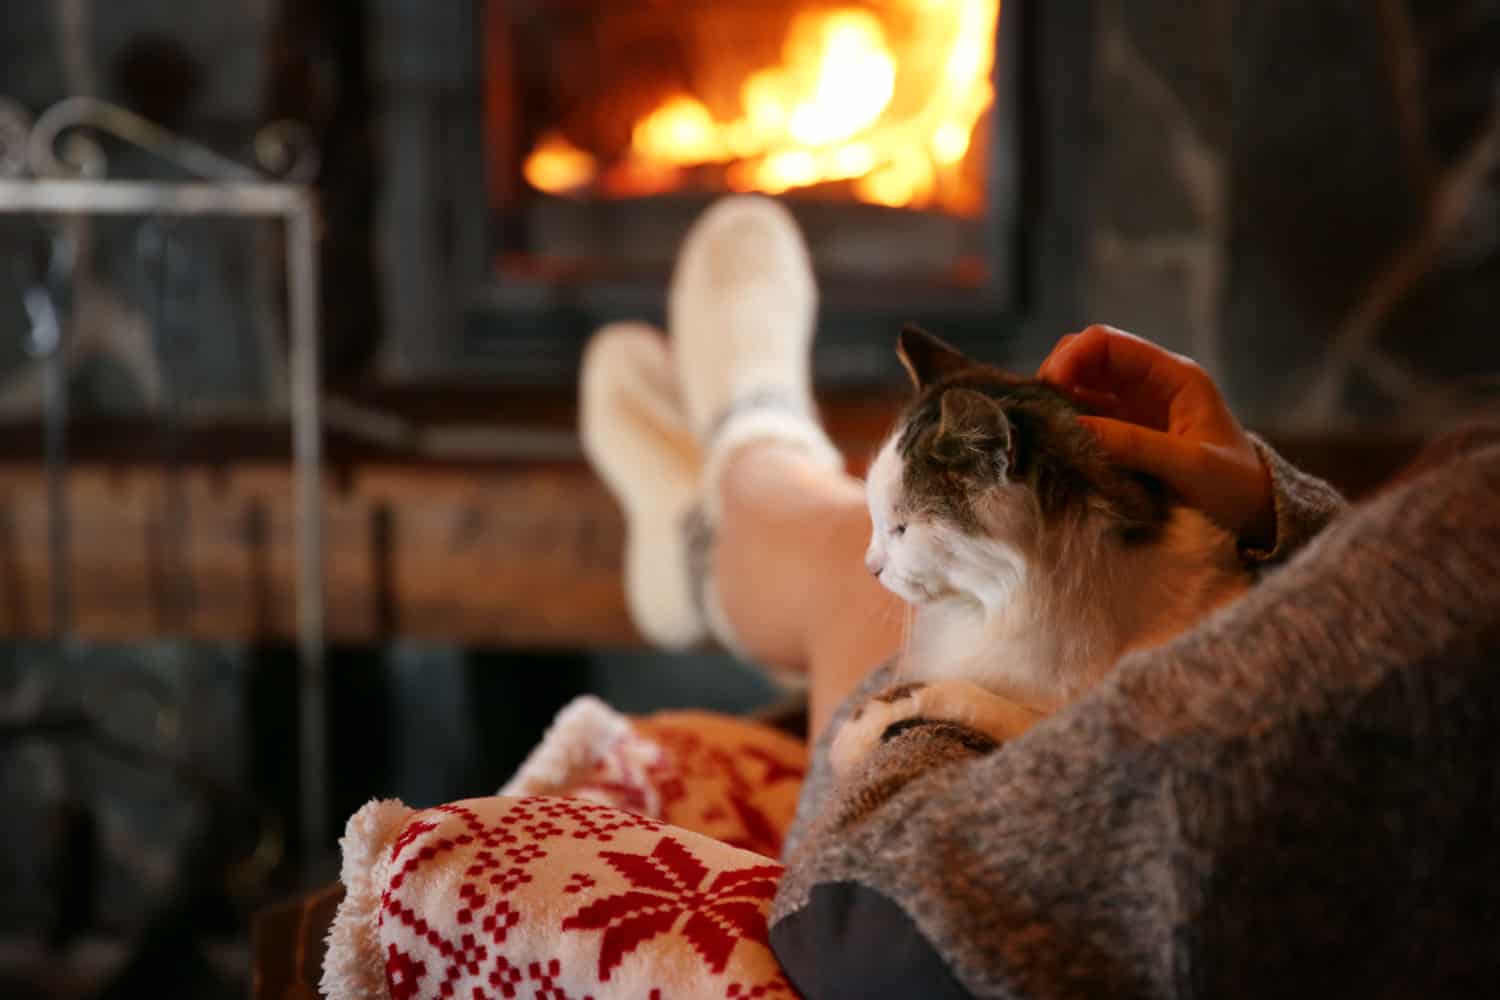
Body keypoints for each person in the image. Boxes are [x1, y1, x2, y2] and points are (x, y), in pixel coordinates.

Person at [581, 197, 1500, 997]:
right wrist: (1270, 511)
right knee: (873, 555)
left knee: (843, 560)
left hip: (916, 810)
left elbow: (868, 920)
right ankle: (729, 500)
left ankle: (745, 465)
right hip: (1069, 662)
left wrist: (922, 709)